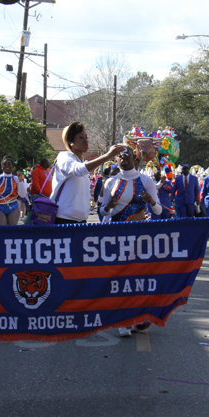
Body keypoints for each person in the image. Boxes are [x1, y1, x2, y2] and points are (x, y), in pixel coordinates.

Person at [99, 147, 162, 337]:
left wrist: (151, 201)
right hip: (118, 235)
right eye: (119, 156)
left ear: (135, 159)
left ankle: (138, 317)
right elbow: (102, 211)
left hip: (140, 235)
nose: (122, 158)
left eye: (126, 155)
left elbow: (159, 211)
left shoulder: (145, 180)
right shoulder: (111, 181)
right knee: (120, 278)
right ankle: (123, 320)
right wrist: (107, 207)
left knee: (138, 277)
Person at [51, 122, 124, 224]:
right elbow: (78, 170)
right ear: (71, 142)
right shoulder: (64, 157)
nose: (86, 140)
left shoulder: (82, 161)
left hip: (80, 221)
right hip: (63, 219)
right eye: (80, 137)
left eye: (86, 137)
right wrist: (108, 155)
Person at [0, 156, 27, 225]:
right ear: (1, 167)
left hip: (13, 207)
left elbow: (22, 194)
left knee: (11, 231)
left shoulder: (16, 179)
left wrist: (20, 182)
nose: (7, 166)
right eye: (5, 164)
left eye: (9, 164)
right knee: (2, 230)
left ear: (12, 166)